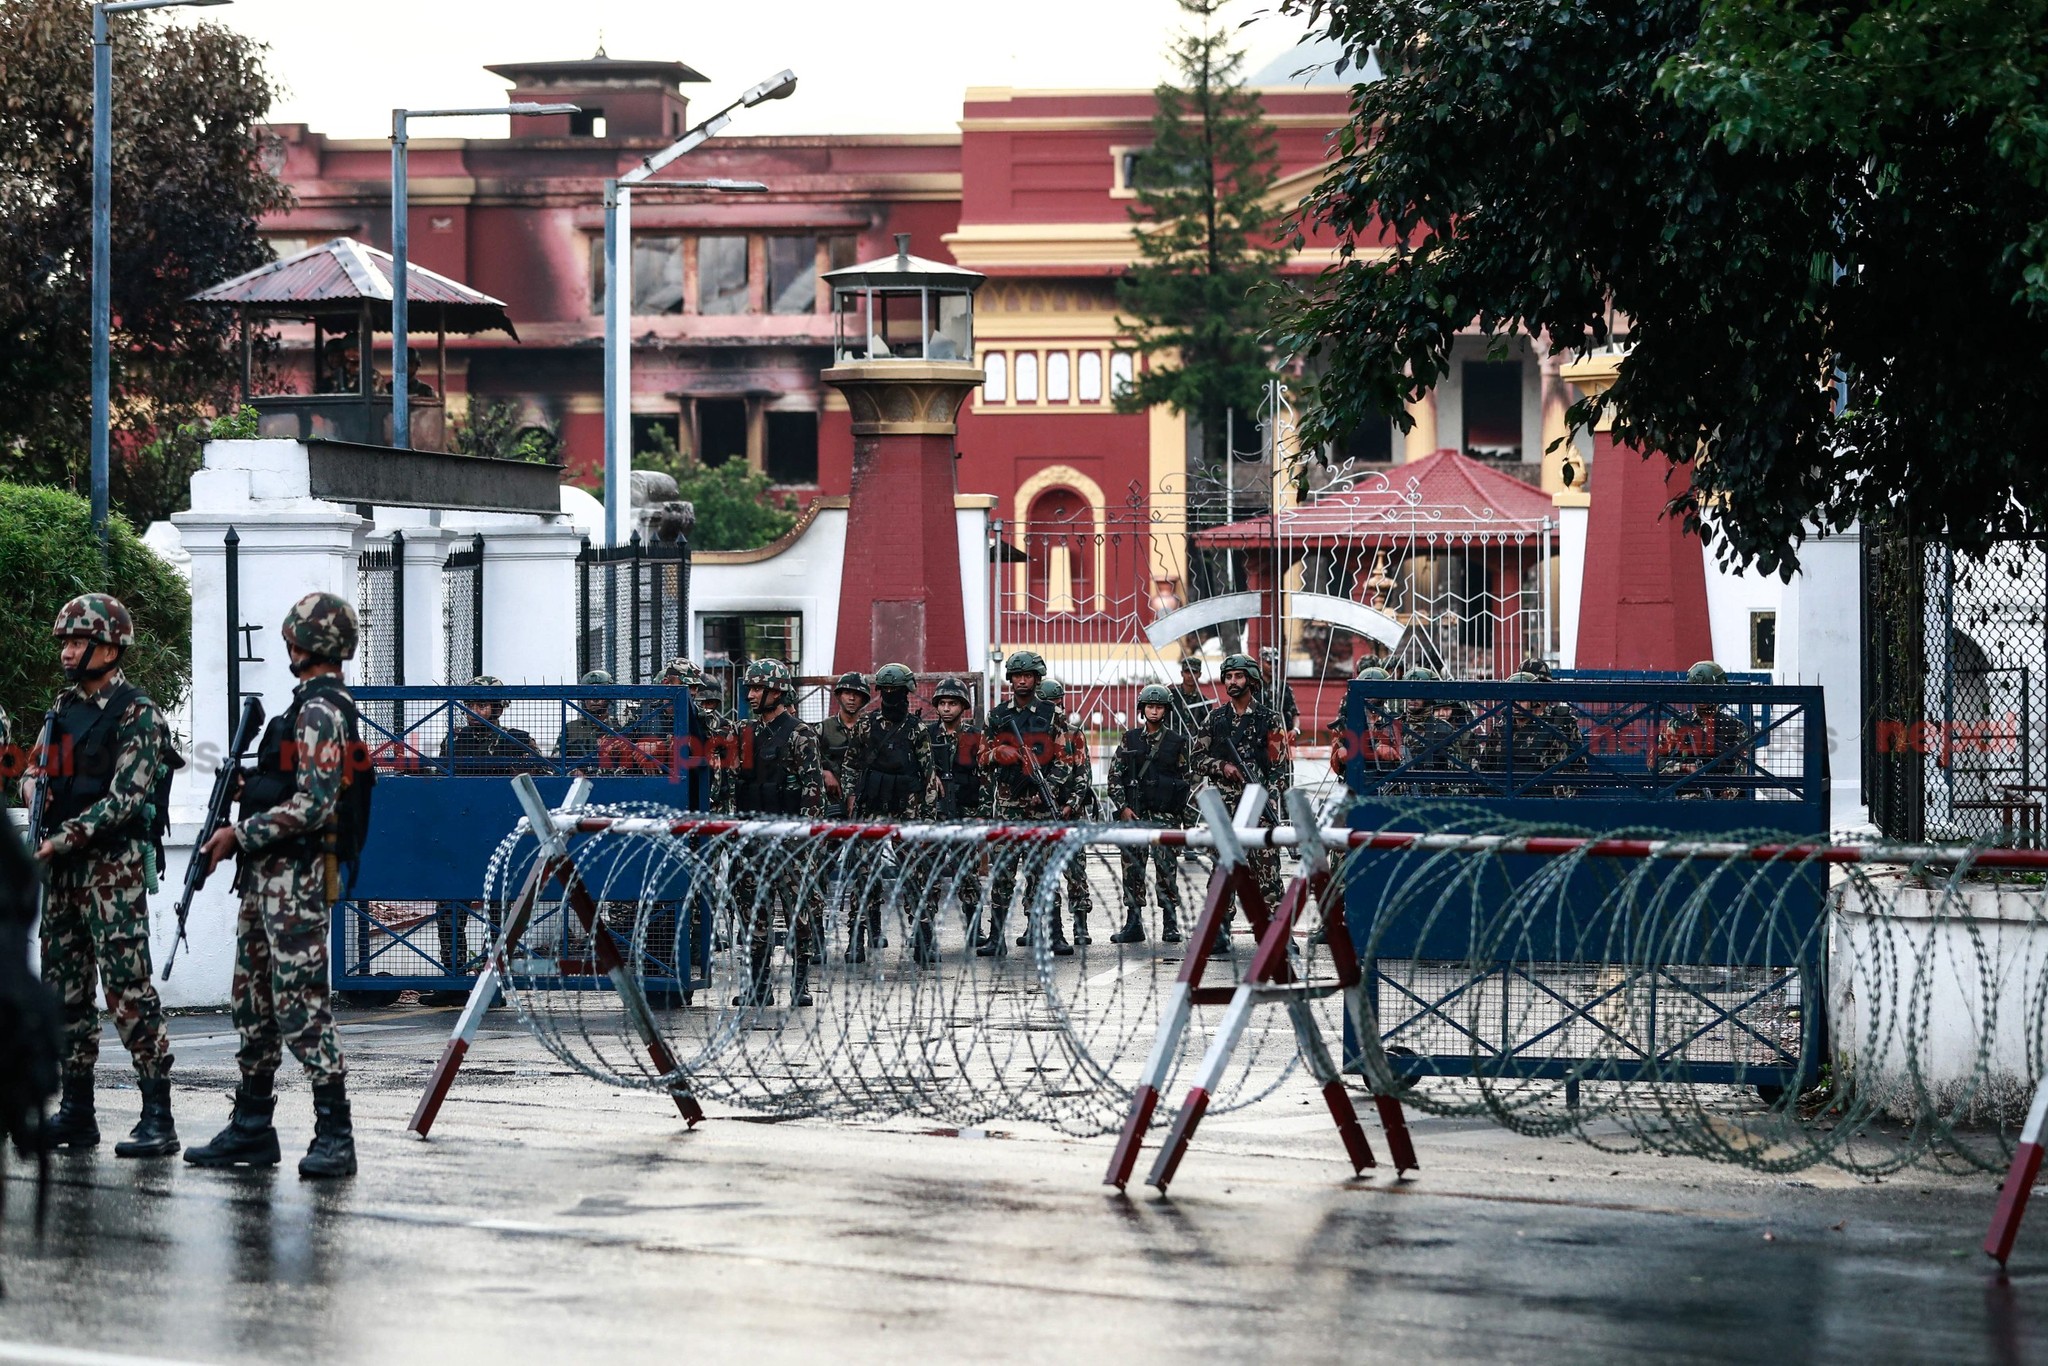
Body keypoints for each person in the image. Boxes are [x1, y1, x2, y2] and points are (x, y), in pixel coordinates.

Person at [189, 591, 368, 1178]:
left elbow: (315, 804)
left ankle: (335, 1135)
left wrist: (238, 835)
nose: (287, 647)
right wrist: (250, 790)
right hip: (268, 877)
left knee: (300, 1003)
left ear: (305, 643)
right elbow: (291, 785)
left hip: (296, 878)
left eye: (292, 638)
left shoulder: (321, 711)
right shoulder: (305, 708)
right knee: (254, 1002)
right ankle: (251, 1126)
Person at [21, 594, 181, 1157]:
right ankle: (76, 1111)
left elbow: (125, 799)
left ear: (110, 649)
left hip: (112, 871)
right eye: (65, 642)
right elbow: (32, 769)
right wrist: (31, 789)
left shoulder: (139, 714)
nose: (66, 652)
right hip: (63, 874)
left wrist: (62, 837)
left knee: (127, 990)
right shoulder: (62, 709)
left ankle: (158, 1115)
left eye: (77, 642)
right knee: (64, 993)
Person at [728, 660, 823, 1006]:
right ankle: (759, 986)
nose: (751, 695)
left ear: (777, 691)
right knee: (754, 915)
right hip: (753, 839)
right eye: (750, 689)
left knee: (800, 913)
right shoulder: (745, 733)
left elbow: (813, 791)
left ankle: (800, 984)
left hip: (790, 841)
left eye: (758, 689)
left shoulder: (800, 734)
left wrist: (804, 843)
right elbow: (734, 782)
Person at [977, 651, 1079, 956]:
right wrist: (997, 754)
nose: (1022, 681)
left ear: (1037, 679)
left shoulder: (1052, 715)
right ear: (1010, 679)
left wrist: (1048, 788)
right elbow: (980, 758)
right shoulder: (997, 716)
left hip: (1041, 807)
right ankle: (996, 937)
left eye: (1028, 676)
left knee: (1046, 873)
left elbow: (1065, 759)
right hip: (1008, 807)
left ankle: (1056, 934)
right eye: (1018, 676)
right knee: (1003, 873)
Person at [843, 663, 935, 962]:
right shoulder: (866, 726)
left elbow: (928, 775)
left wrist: (927, 820)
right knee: (864, 874)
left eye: (897, 691)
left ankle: (923, 937)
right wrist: (851, 797)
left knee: (914, 874)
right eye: (887, 691)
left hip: (907, 810)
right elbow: (851, 764)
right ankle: (857, 937)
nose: (892, 696)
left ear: (907, 693)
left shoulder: (916, 729)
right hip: (871, 808)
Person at [1199, 653, 1289, 949]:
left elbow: (1280, 768)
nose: (1232, 682)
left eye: (1238, 676)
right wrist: (1222, 766)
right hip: (1225, 807)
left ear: (1251, 679)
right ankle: (1220, 930)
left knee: (1267, 869)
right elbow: (1197, 758)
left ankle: (1276, 932)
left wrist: (1271, 800)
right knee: (1222, 868)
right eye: (1228, 677)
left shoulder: (1269, 719)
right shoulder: (1215, 719)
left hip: (1259, 806)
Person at [1108, 684, 1192, 945]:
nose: (1154, 711)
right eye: (1150, 706)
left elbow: (1186, 782)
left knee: (1166, 869)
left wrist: (1184, 822)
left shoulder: (1177, 742)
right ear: (1142, 709)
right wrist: (1123, 807)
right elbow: (1114, 776)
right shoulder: (1130, 739)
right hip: (1136, 815)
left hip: (1165, 816)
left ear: (1166, 710)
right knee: (1132, 868)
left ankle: (1170, 922)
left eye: (1159, 707)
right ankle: (1134, 922)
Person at [924, 678, 985, 945]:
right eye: (943, 703)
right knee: (930, 872)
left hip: (965, 812)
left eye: (953, 703)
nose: (947, 709)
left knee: (968, 872)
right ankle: (924, 930)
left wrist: (983, 812)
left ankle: (974, 928)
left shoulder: (974, 737)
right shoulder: (927, 735)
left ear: (963, 707)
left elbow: (985, 777)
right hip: (935, 813)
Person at [1654, 660, 1753, 799]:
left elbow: (1741, 770)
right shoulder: (1677, 724)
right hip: (1685, 803)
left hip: (1724, 806)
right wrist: (1683, 768)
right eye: (1697, 691)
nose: (1701, 698)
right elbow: (1655, 763)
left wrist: (1726, 796)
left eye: (1706, 691)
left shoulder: (1736, 728)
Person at [1478, 672, 1584, 797]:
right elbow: (1484, 770)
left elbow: (1563, 781)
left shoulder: (1552, 734)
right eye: (1512, 699)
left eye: (1521, 700)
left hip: (1537, 803)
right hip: (1501, 803)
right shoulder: (1499, 732)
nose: (1516, 705)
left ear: (1534, 701)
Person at [443, 677, 540, 773]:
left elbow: (544, 775)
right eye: (469, 705)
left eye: (481, 706)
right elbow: (440, 776)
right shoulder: (455, 739)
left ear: (498, 710)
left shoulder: (519, 740)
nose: (473, 712)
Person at [819, 671, 869, 821]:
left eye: (857, 694)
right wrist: (824, 773)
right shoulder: (824, 728)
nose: (852, 698)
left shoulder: (871, 727)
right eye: (847, 693)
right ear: (839, 695)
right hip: (833, 798)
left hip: (865, 796)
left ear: (864, 699)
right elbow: (806, 760)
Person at [557, 669, 621, 771]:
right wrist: (573, 772)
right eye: (589, 694)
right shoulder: (571, 728)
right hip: (580, 780)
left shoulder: (620, 727)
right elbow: (556, 761)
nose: (595, 699)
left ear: (609, 697)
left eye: (600, 693)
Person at [1168, 656, 1213, 736]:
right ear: (1182, 673)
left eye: (1194, 672)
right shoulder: (1170, 696)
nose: (1190, 675)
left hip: (1194, 742)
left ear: (1199, 674)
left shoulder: (1205, 703)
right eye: (1187, 672)